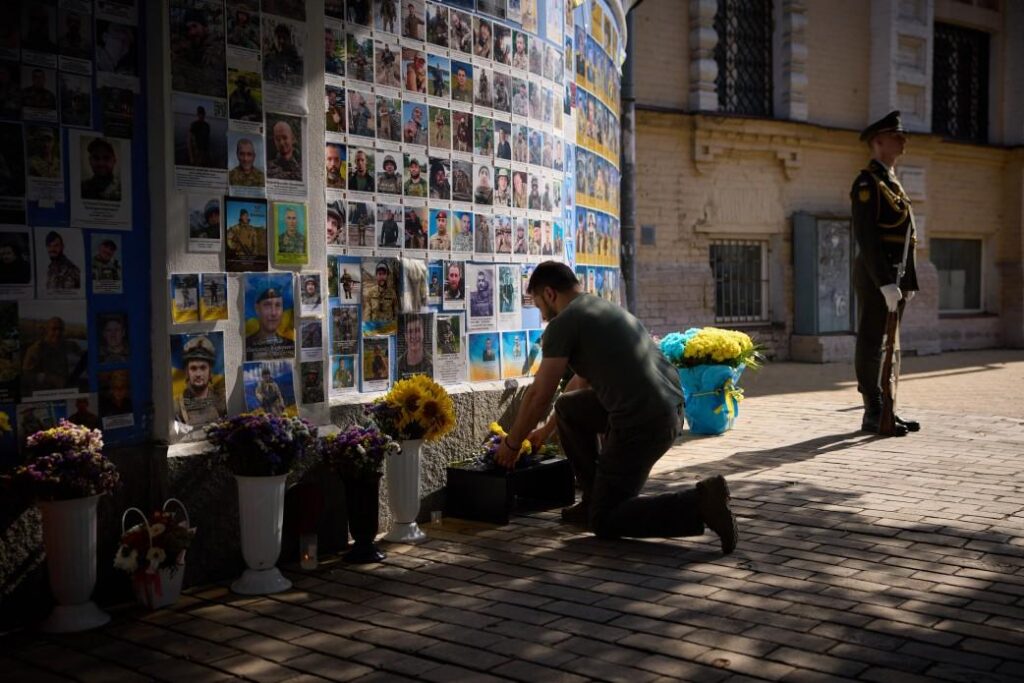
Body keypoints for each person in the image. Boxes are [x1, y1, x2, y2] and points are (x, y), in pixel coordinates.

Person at [495, 262, 738, 552]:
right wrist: (545, 432)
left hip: (642, 423)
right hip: (669, 410)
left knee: (606, 519)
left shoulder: (564, 323)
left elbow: (539, 394)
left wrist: (511, 444)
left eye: (537, 304)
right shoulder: (601, 309)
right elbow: (579, 384)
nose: (541, 314)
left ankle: (700, 503)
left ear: (548, 293)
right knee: (568, 408)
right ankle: (591, 500)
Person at [852, 111, 921, 437]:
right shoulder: (868, 183)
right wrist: (884, 282)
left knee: (890, 343)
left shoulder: (891, 181)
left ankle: (888, 407)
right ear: (878, 142)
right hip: (877, 276)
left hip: (896, 276)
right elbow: (867, 239)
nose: (903, 140)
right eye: (896, 136)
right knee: (872, 341)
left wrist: (905, 281)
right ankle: (873, 410)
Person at [22, 316, 85, 394]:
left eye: (60, 329)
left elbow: (83, 356)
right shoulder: (36, 349)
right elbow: (27, 374)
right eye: (54, 329)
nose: (58, 332)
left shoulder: (70, 345)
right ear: (47, 330)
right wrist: (50, 378)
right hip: (45, 392)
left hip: (67, 389)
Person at [175, 335, 226, 425]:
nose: (198, 374)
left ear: (210, 372)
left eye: (203, 368)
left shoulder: (221, 402)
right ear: (187, 372)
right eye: (193, 368)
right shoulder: (176, 407)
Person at [245, 286, 294, 360]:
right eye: (267, 305)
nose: (273, 313)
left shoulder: (291, 344)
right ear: (257, 309)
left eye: (278, 305)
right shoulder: (246, 345)